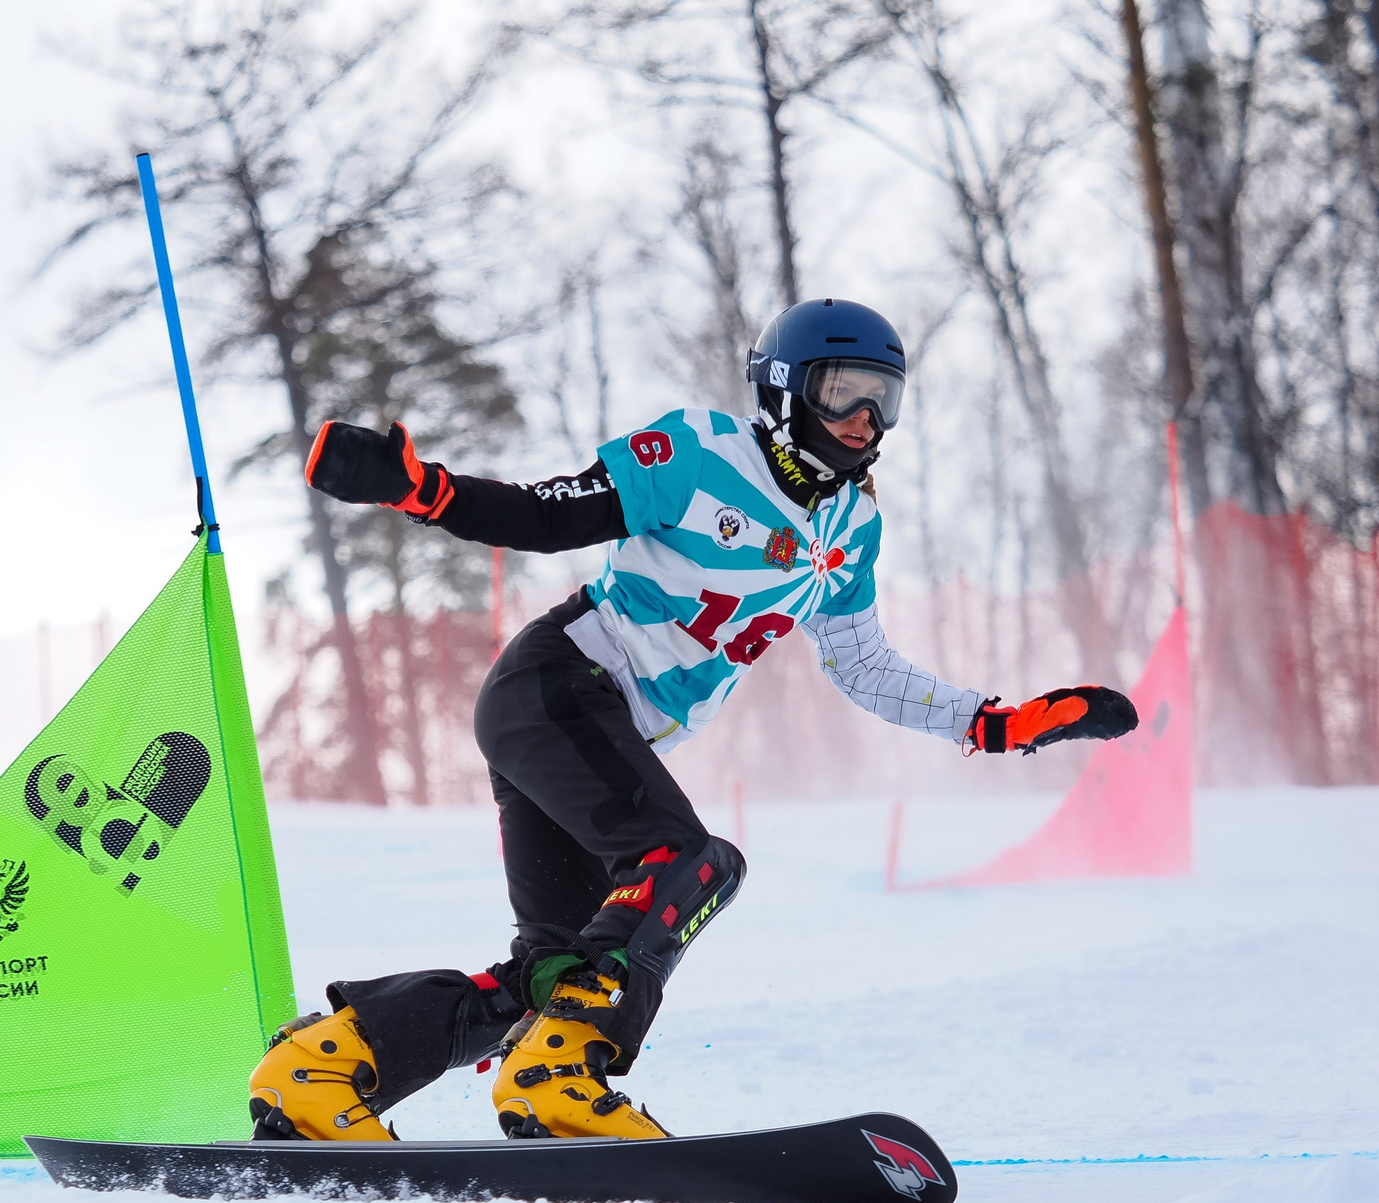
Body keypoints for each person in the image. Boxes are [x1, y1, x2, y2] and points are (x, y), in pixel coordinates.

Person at [249, 298, 1138, 1144]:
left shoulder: (852, 528)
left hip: (596, 727)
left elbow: (863, 664)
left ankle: (324, 1067)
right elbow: (549, 514)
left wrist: (991, 724)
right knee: (690, 861)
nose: (867, 417)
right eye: (843, 391)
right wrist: (422, 487)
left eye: (885, 397)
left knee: (552, 974)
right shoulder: (701, 452)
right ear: (786, 389)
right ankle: (558, 1080)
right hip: (559, 682)